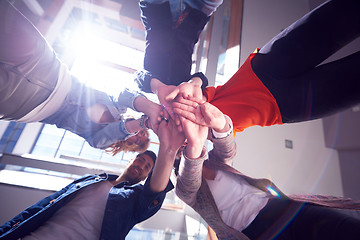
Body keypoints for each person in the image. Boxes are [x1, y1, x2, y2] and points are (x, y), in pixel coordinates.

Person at [139, 0, 360, 133]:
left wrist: (183, 84)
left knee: (345, 13)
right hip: (285, 107)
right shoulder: (201, 144)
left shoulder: (176, 104)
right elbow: (225, 151)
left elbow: (197, 81)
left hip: (263, 68)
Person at [174, 99, 360, 240]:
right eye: (180, 147)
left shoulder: (217, 162)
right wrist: (194, 144)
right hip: (257, 233)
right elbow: (190, 175)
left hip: (279, 207)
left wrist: (220, 123)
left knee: (345, 228)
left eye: (185, 142)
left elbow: (228, 148)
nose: (185, 144)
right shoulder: (186, 191)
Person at [0, 0, 163, 151]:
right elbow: (124, 94)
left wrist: (143, 123)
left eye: (139, 142)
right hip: (51, 69)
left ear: (131, 148)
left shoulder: (102, 141)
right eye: (144, 135)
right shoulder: (120, 106)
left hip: (31, 106)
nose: (140, 136)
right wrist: (150, 108)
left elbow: (99, 139)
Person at [0, 116, 185, 240]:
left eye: (147, 168)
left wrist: (168, 150)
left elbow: (154, 191)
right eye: (141, 161)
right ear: (131, 159)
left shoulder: (135, 200)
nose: (141, 166)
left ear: (147, 176)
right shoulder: (89, 180)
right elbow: (40, 208)